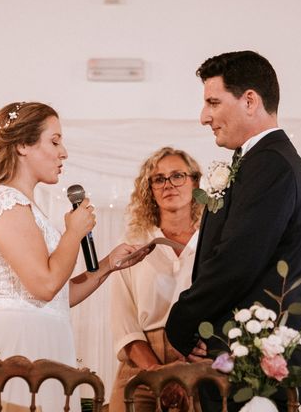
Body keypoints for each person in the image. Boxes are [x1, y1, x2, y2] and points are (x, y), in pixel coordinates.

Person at [0, 102, 150, 412]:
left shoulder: (26, 206)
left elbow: (59, 296)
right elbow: (45, 286)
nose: (63, 152)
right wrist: (73, 233)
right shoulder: (4, 200)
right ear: (23, 145)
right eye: (54, 141)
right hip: (20, 344)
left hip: (47, 334)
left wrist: (107, 266)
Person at [165, 51, 301, 411]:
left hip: (258, 373)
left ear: (250, 100)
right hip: (240, 360)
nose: (205, 116)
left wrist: (181, 322)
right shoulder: (259, 160)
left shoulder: (270, 163)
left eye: (213, 102)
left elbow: (237, 261)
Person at [109, 147, 204, 412]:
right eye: (159, 179)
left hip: (198, 366)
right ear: (149, 189)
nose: (168, 185)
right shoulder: (133, 244)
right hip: (140, 365)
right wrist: (158, 373)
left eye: (178, 176)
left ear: (195, 181)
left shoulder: (212, 242)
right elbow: (125, 323)